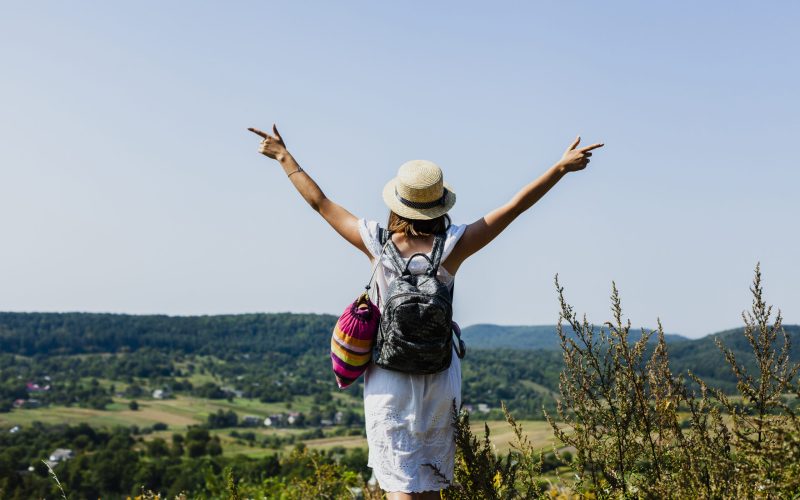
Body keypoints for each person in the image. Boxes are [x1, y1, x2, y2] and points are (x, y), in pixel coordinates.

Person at [248, 124, 603, 499]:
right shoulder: (454, 246)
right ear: (439, 204)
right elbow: (514, 207)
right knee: (430, 484)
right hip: (438, 378)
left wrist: (284, 157)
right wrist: (560, 169)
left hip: (389, 379)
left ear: (397, 202)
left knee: (397, 485)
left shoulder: (376, 242)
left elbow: (320, 203)